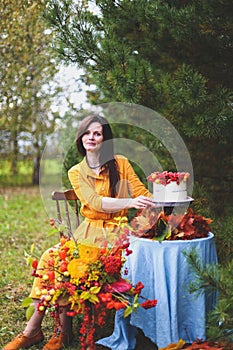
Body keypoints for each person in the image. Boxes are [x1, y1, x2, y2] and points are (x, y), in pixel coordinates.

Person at [3, 114, 155, 350]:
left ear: (105, 139)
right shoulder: (77, 171)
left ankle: (53, 332)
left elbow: (141, 191)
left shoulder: (121, 163)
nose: (91, 137)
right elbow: (94, 202)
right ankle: (40, 330)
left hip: (116, 234)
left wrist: (162, 200)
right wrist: (131, 202)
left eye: (97, 133)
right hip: (88, 231)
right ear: (81, 137)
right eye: (87, 132)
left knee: (68, 265)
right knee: (51, 259)